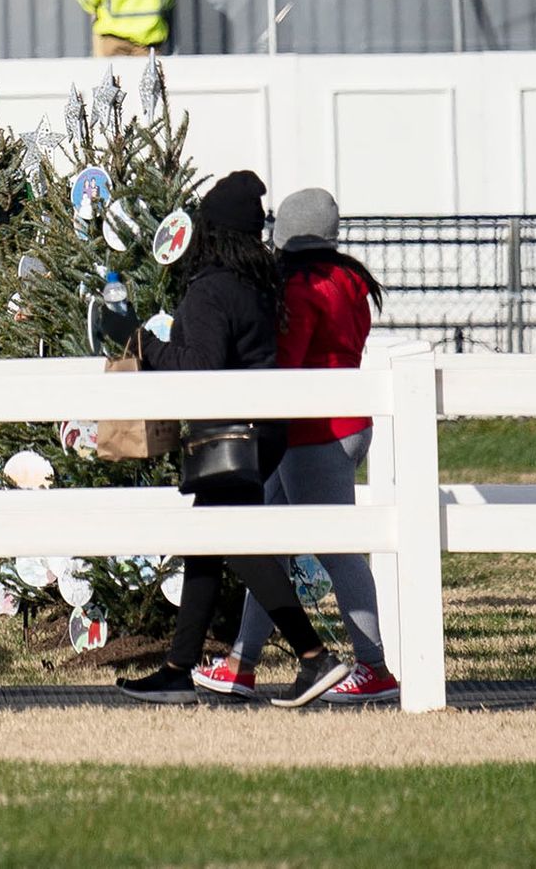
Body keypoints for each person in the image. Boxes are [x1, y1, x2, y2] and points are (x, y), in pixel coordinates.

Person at [114, 169, 345, 708]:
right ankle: (178, 668)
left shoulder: (211, 288)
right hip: (265, 432)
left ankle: (315, 659)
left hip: (231, 436)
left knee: (235, 542)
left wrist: (146, 346)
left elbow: (200, 368)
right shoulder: (254, 280)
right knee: (209, 542)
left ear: (209, 231)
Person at [219, 184, 399, 704]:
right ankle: (240, 663)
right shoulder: (350, 280)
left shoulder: (299, 287)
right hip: (346, 425)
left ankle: (374, 667)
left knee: (336, 552)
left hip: (309, 433)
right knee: (269, 549)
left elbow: (286, 367)